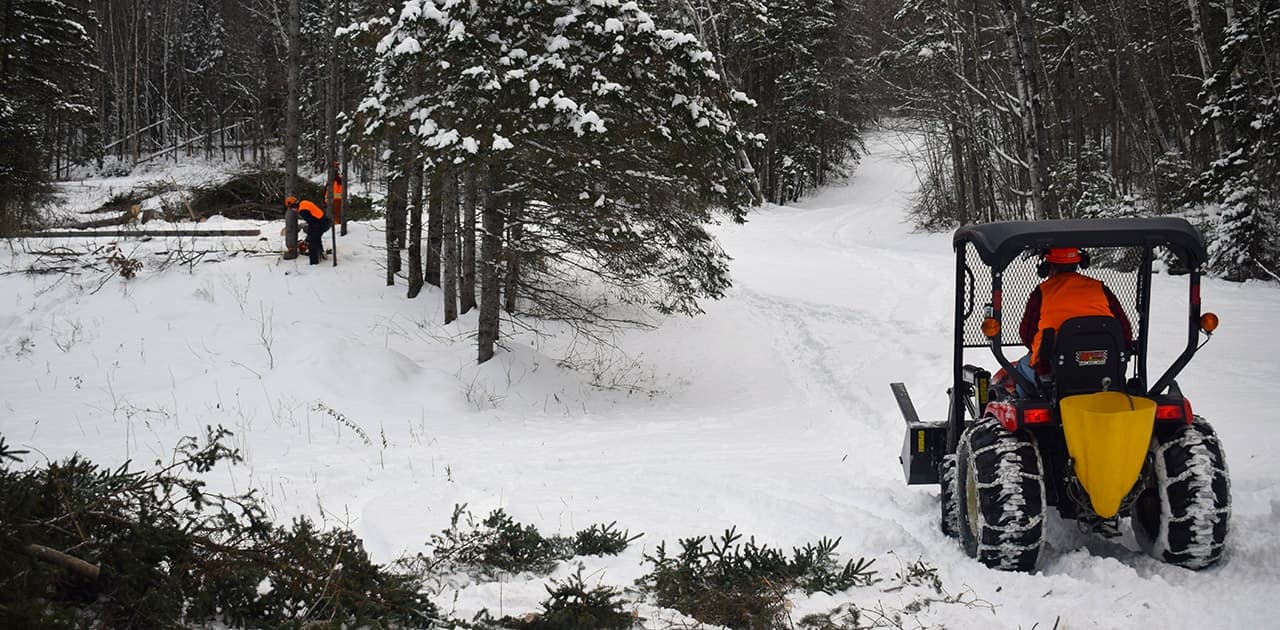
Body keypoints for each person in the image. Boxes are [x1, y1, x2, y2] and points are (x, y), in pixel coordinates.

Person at [1008, 247, 1132, 395]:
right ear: (1077, 263)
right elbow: (1124, 331)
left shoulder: (1042, 293)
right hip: (1105, 369)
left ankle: (1035, 408)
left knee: (1021, 369)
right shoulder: (1100, 289)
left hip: (1053, 373)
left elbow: (1027, 335)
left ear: (1049, 267)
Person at [286, 196, 329, 265]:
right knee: (317, 239)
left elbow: (312, 223)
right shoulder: (304, 202)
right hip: (323, 220)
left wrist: (309, 235)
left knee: (312, 243)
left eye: (291, 208)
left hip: (320, 223)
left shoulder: (302, 211)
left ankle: (314, 263)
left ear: (293, 206)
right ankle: (320, 253)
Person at [326, 162, 344, 234]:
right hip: (334, 198)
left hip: (336, 198)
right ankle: (335, 226)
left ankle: (336, 227)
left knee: (336, 214)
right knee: (335, 214)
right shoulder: (335, 177)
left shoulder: (336, 178)